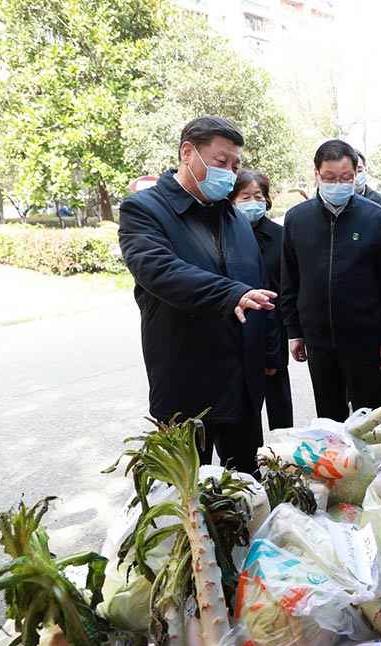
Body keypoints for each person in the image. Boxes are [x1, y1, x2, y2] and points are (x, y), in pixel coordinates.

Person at [118, 116, 277, 472]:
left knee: (247, 492)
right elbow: (159, 271)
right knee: (188, 502)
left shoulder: (234, 218)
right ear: (188, 152)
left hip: (242, 384)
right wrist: (230, 294)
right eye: (222, 162)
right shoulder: (144, 210)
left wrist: (269, 348)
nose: (230, 173)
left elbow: (260, 281)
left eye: (236, 166)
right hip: (186, 386)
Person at [279, 139, 381, 422]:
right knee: (328, 418)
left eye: (346, 177)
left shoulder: (377, 218)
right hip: (318, 340)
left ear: (356, 175)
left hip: (365, 340)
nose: (339, 184)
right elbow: (289, 278)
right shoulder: (297, 219)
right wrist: (294, 331)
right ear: (316, 175)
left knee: (368, 418)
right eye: (330, 178)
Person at [229, 169, 293, 430]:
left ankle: (284, 459)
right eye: (245, 197)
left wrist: (277, 346)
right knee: (242, 406)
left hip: (272, 329)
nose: (252, 202)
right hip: (236, 327)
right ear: (232, 199)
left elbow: (288, 288)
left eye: (258, 196)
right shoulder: (227, 234)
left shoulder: (280, 236)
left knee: (278, 401)